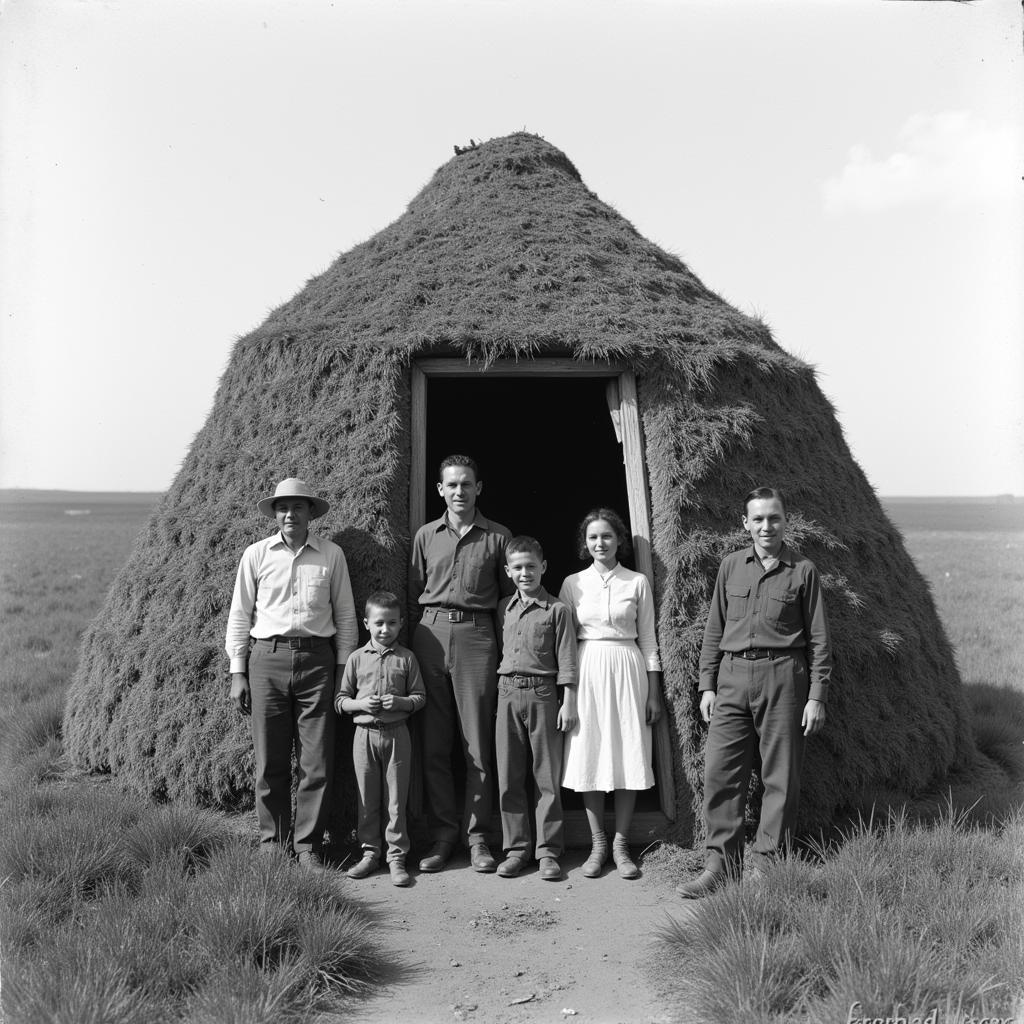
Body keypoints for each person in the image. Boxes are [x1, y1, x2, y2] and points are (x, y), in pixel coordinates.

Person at [676, 486, 831, 899]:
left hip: (784, 676)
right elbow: (714, 629)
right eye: (758, 519)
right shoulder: (731, 567)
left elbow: (818, 639)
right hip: (731, 677)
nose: (766, 526)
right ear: (744, 523)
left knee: (780, 776)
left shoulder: (803, 571)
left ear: (786, 521)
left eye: (774, 518)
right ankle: (719, 864)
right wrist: (706, 684)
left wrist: (817, 694)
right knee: (721, 772)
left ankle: (766, 864)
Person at [225, 477, 358, 868]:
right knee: (271, 759)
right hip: (267, 658)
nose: (289, 514)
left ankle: (308, 847)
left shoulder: (331, 555)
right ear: (275, 514)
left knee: (315, 761)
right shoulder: (256, 555)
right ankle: (273, 841)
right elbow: (240, 614)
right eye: (283, 508)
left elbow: (346, 616)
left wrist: (341, 670)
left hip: (318, 662)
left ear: (310, 513)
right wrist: (238, 672)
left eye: (298, 507)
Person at [408, 454, 514, 873]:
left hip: (477, 634)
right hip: (430, 634)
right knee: (434, 744)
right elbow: (414, 587)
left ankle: (478, 838)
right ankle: (442, 835)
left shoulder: (499, 537)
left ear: (478, 488)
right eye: (451, 485)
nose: (459, 491)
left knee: (476, 743)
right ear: (440, 489)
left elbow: (508, 598)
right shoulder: (425, 536)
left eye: (466, 484)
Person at [558, 508, 663, 880]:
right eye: (592, 538)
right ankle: (597, 842)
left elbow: (649, 639)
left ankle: (621, 844)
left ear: (619, 539)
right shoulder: (573, 584)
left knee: (626, 752)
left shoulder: (636, 582)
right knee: (591, 753)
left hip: (627, 667)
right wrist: (567, 690)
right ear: (584, 545)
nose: (599, 543)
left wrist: (653, 693)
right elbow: (565, 642)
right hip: (588, 668)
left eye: (606, 536)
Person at [494, 536, 578, 881]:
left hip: (543, 695)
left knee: (546, 778)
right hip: (507, 694)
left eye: (531, 566)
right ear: (508, 571)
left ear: (543, 567)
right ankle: (516, 849)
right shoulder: (503, 608)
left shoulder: (557, 610)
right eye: (518, 567)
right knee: (509, 776)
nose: (525, 573)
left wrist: (567, 701)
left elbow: (569, 661)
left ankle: (548, 852)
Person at [336, 590, 426, 887]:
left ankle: (397, 857)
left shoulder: (406, 658)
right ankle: (370, 853)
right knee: (367, 798)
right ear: (366, 624)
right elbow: (340, 700)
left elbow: (419, 698)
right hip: (363, 736)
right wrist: (360, 705)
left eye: (391, 623)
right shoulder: (356, 659)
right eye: (379, 623)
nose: (385, 629)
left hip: (398, 735)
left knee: (396, 800)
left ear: (401, 624)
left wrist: (400, 703)